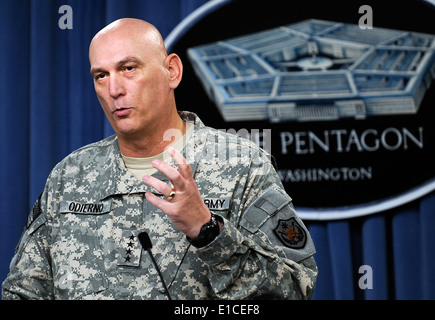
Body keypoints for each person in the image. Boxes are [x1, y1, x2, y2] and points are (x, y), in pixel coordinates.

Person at [2, 18, 317, 300]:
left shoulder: (241, 166)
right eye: (101, 75)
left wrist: (208, 232)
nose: (113, 89)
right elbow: (23, 291)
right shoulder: (69, 176)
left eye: (129, 68)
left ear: (172, 71)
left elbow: (294, 289)